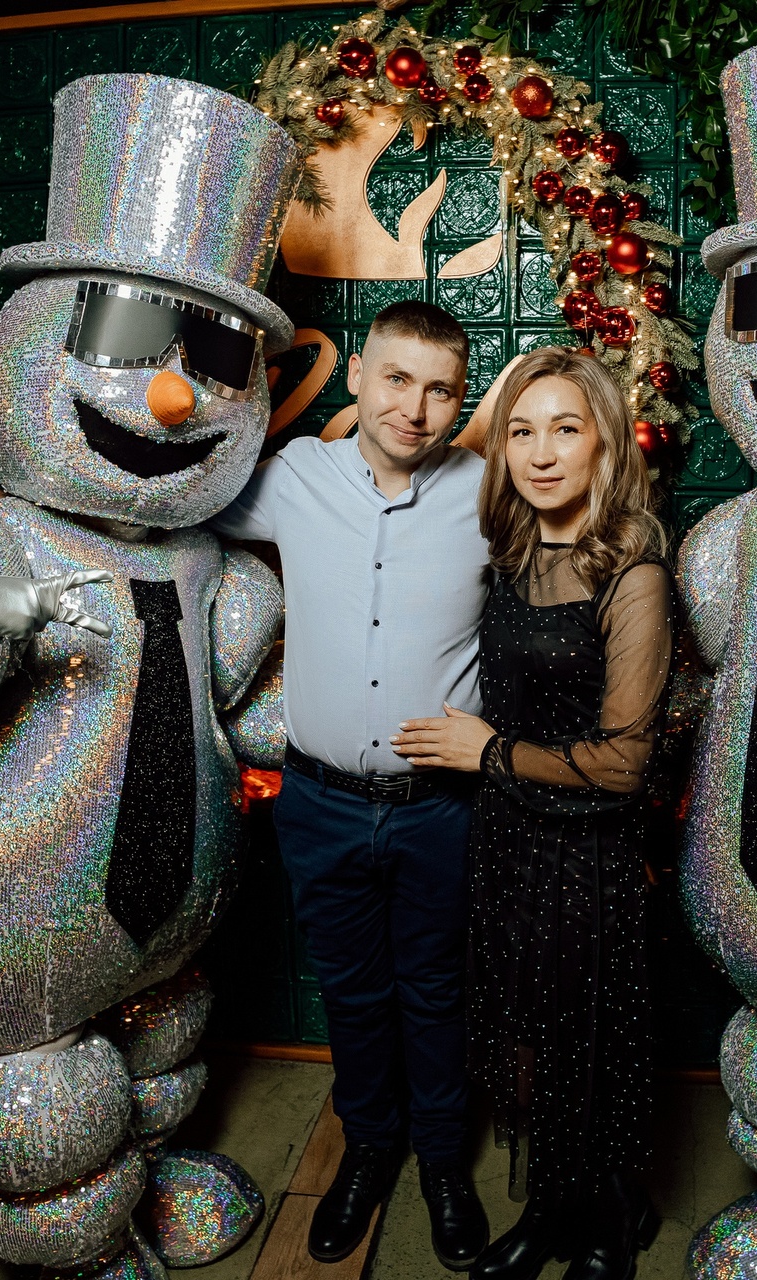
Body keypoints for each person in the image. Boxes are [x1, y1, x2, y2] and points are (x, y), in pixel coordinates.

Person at [209, 300, 491, 1270]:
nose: (415, 407)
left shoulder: (490, 494)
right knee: (353, 991)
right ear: (361, 375)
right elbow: (171, 496)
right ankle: (369, 1148)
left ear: (460, 400)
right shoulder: (296, 477)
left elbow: (572, 594)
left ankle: (445, 1163)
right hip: (319, 802)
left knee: (437, 992)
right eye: (398, 379)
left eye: (440, 389)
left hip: (440, 808)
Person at [390, 347, 672, 1280]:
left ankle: (607, 1223)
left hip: (587, 854)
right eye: (520, 431)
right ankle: (551, 1210)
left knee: (589, 1047)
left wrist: (489, 752)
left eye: (565, 429)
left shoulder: (633, 571)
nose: (541, 453)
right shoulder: (512, 552)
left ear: (605, 444)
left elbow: (625, 763)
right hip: (507, 839)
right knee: (529, 1043)